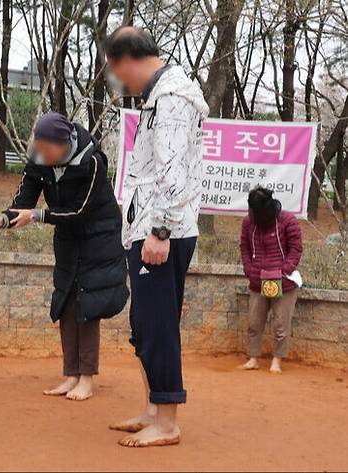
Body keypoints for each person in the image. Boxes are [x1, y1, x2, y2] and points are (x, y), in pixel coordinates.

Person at [105, 27, 209, 447]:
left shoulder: (170, 99)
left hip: (163, 232)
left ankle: (167, 423)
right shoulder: (159, 95)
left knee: (158, 326)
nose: (118, 80)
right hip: (148, 228)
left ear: (128, 58)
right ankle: (152, 409)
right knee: (144, 325)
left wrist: (160, 231)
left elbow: (172, 173)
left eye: (115, 70)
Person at [0, 112, 129, 401]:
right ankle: (71, 375)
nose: (41, 153)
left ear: (63, 143)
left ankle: (87, 378)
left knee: (87, 302)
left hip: (98, 235)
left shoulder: (91, 162)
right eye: (38, 147)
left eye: (46, 148)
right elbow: (23, 202)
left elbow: (81, 211)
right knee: (66, 300)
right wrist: (0, 221)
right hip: (67, 237)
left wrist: (39, 216)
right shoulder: (39, 161)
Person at [239, 187, 303, 374]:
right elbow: (244, 247)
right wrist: (250, 270)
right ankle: (253, 358)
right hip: (257, 280)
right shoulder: (248, 223)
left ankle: (277, 360)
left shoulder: (288, 220)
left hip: (283, 282)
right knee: (254, 322)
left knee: (281, 323)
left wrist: (284, 271)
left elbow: (296, 249)